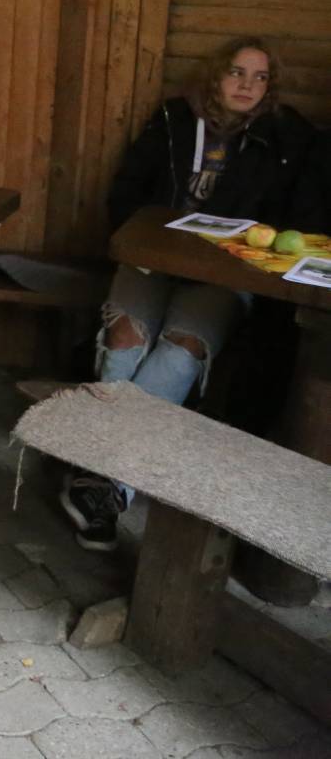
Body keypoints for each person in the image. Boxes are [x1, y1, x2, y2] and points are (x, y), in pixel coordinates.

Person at [65, 38, 317, 551]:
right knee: (124, 339)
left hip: (222, 276)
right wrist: (138, 240)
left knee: (181, 352)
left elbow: (293, 215)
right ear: (213, 76)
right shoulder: (174, 120)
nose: (247, 85)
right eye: (236, 72)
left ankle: (103, 479)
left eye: (259, 76)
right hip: (152, 260)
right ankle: (106, 480)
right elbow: (126, 191)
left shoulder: (283, 137)